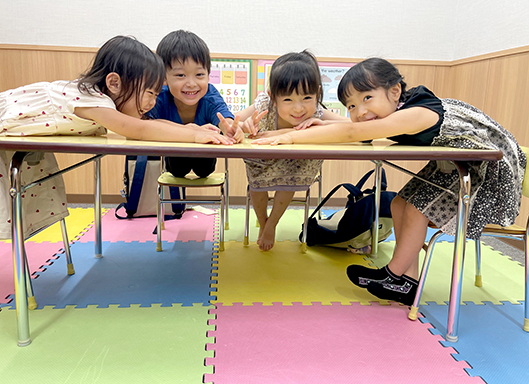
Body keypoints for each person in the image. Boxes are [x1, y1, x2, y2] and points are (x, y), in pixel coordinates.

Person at [253, 57, 526, 305]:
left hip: (484, 171)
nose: (360, 111)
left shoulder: (416, 113)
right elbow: (360, 130)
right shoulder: (397, 112)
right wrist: (317, 127)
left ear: (395, 91)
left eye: (367, 98)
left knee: (417, 210)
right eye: (351, 106)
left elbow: (355, 133)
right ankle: (408, 282)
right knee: (398, 203)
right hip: (452, 165)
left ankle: (392, 275)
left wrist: (290, 136)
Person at [0, 35, 232, 240]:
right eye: (149, 93)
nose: (153, 102)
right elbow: (139, 129)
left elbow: (147, 124)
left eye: (156, 95)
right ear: (114, 83)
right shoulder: (92, 101)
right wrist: (193, 135)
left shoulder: (102, 102)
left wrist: (193, 130)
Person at [237, 50, 347, 251]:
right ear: (273, 97)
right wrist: (244, 125)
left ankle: (272, 224)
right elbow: (233, 121)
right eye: (288, 100)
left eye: (307, 97)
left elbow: (352, 127)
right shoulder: (264, 104)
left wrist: (323, 125)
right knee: (256, 184)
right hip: (263, 161)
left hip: (296, 165)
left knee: (290, 180)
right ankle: (263, 222)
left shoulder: (318, 111)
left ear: (317, 93)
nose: (298, 108)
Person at [148, 29, 243, 179]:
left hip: (205, 156)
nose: (191, 84)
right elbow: (145, 122)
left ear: (208, 75)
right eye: (181, 75)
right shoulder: (159, 97)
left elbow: (223, 115)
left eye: (199, 75)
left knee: (204, 171)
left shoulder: (210, 95)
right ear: (164, 78)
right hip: (175, 155)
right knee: (177, 171)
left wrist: (229, 128)